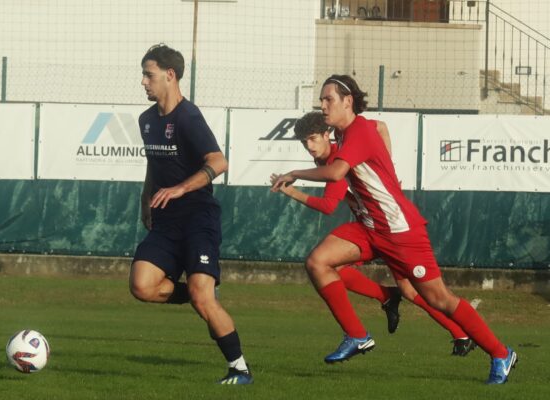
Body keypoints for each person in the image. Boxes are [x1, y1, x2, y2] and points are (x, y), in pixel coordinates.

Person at [271, 75, 517, 384]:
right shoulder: (345, 133)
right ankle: (357, 335)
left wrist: (294, 174)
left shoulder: (357, 130)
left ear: (348, 102)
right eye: (321, 100)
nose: (322, 105)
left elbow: (336, 172)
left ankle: (500, 353)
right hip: (370, 228)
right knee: (318, 262)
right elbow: (381, 129)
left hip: (399, 230)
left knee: (437, 298)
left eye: (328, 99)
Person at [270, 111, 476, 356]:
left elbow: (328, 206)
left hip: (386, 228)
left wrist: (291, 192)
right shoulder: (325, 159)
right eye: (305, 142)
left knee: (412, 290)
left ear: (327, 135)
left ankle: (457, 331)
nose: (309, 146)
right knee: (331, 267)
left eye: (313, 139)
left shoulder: (338, 158)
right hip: (372, 226)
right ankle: (393, 301)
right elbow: (381, 126)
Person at [129, 44, 252, 385]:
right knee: (141, 286)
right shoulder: (147, 120)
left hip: (198, 217)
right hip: (166, 221)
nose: (143, 82)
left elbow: (218, 161)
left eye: (149, 75)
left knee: (202, 296)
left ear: (170, 76)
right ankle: (202, 294)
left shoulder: (188, 117)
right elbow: (154, 166)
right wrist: (145, 199)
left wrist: (182, 188)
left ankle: (239, 367)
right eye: (142, 75)